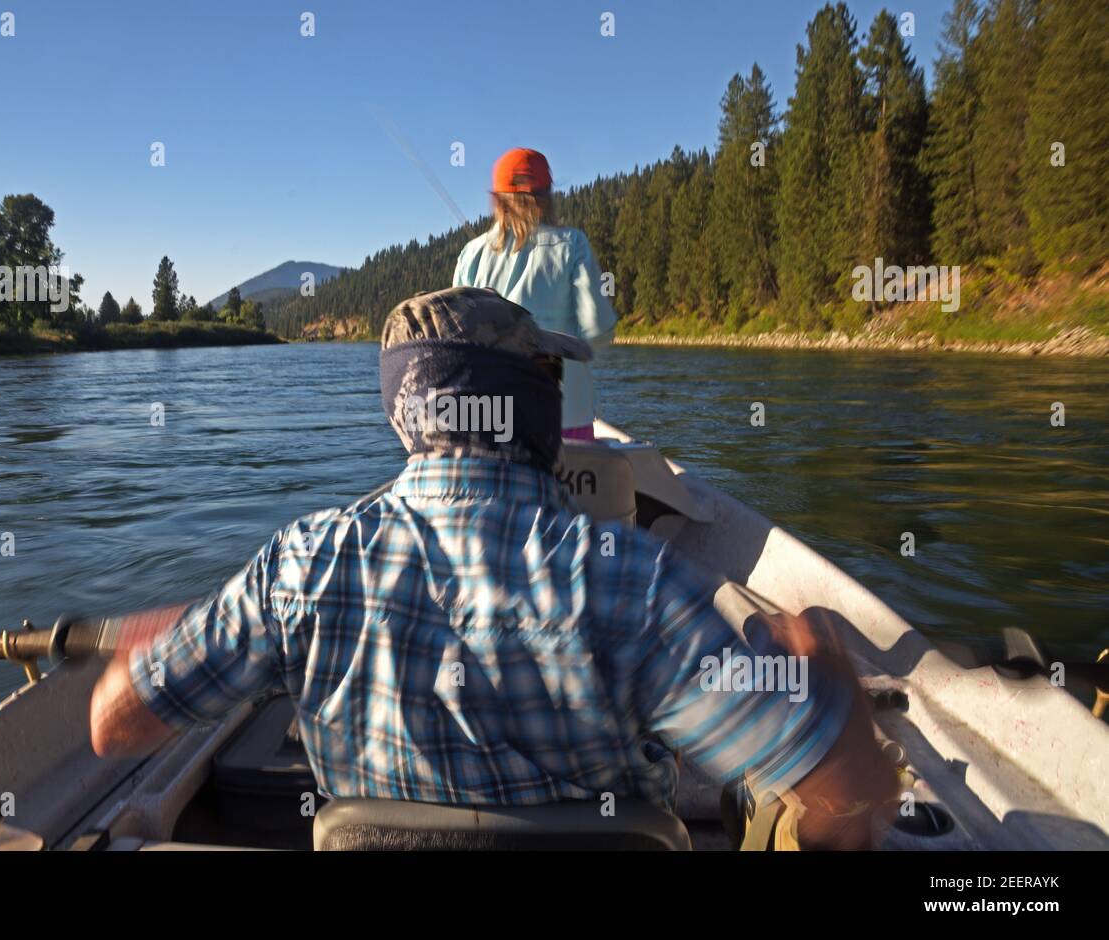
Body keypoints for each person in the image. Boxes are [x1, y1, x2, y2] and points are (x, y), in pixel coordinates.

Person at [90, 287, 895, 849]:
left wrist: (171, 642)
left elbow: (112, 727)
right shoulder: (634, 581)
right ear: (528, 400)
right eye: (550, 375)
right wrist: (824, 659)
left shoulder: (298, 564)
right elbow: (847, 803)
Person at [453, 147, 617, 440]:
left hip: (492, 420)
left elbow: (455, 339)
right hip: (564, 418)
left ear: (497, 199)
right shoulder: (573, 244)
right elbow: (598, 328)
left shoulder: (470, 255)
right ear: (547, 195)